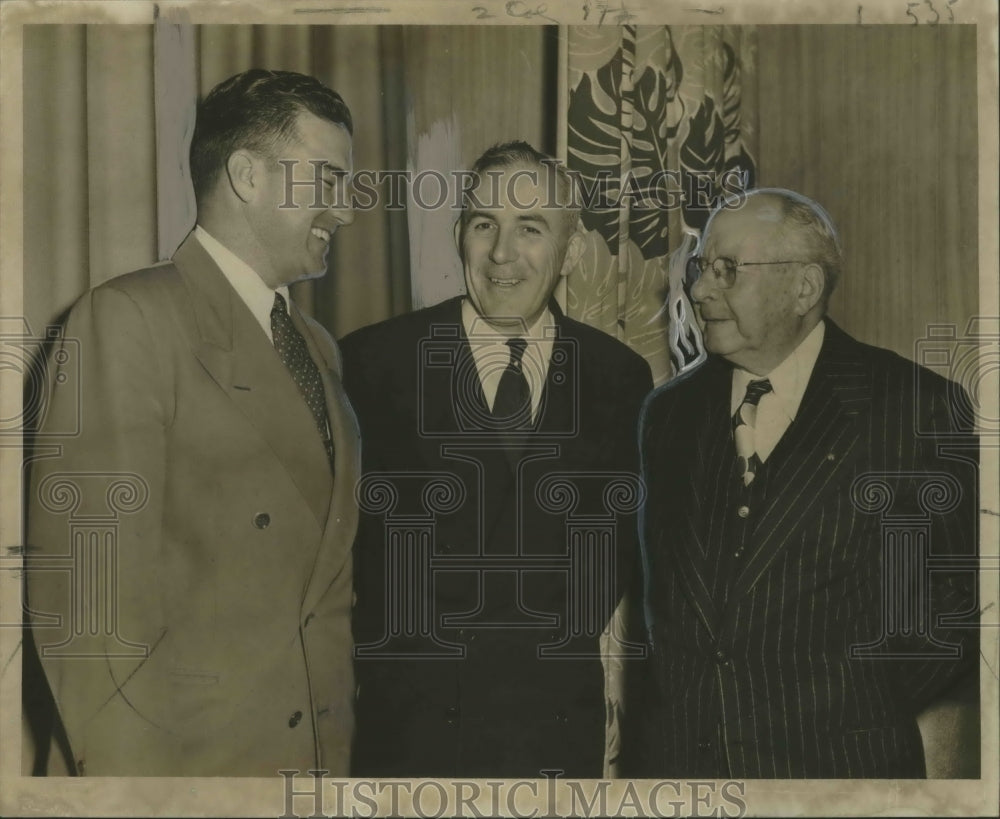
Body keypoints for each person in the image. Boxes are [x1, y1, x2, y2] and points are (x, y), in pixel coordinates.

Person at [25, 69, 360, 777]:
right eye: (326, 181)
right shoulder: (127, 322)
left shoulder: (319, 349)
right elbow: (92, 626)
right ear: (246, 175)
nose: (347, 210)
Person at [626, 188, 978, 778]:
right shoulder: (669, 414)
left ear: (804, 288)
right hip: (689, 777)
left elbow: (961, 601)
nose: (701, 289)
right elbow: (660, 601)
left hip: (840, 771)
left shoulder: (915, 410)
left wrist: (848, 697)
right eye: (702, 268)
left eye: (728, 270)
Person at [340, 141, 653, 778]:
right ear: (459, 235)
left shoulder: (619, 376)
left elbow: (624, 554)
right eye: (485, 224)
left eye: (530, 229)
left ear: (568, 248)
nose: (502, 254)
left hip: (553, 747)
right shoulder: (374, 363)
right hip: (409, 746)